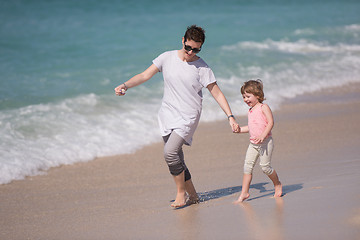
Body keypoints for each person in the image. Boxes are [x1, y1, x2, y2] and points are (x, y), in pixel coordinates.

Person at [115, 25, 240, 208]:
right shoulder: (166, 57)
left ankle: (181, 194)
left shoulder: (202, 67)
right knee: (177, 159)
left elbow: (217, 93)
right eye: (188, 47)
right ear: (182, 40)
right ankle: (194, 196)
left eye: (196, 49)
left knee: (170, 153)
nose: (191, 52)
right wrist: (125, 85)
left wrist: (231, 116)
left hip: (189, 116)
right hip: (167, 113)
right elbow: (144, 75)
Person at [234, 79, 282, 203]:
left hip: (266, 143)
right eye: (243, 97)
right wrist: (239, 130)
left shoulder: (263, 107)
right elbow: (251, 128)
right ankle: (244, 192)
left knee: (265, 167)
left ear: (258, 95)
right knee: (247, 167)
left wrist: (263, 135)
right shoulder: (250, 111)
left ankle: (277, 184)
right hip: (253, 144)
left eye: (248, 96)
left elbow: (270, 122)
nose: (245, 99)